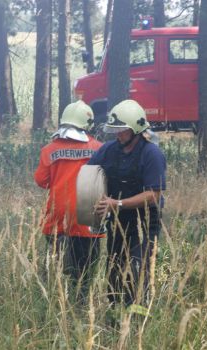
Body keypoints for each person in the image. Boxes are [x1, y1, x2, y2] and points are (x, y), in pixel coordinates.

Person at [88, 99, 166, 307]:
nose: (117, 134)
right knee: (114, 267)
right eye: (115, 130)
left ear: (136, 130)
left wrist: (118, 203)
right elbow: (88, 174)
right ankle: (116, 313)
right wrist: (94, 203)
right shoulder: (108, 150)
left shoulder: (151, 154)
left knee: (138, 269)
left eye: (122, 130)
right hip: (118, 219)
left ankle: (137, 318)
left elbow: (154, 194)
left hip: (145, 220)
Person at [34, 100, 103, 299]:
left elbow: (42, 181)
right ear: (87, 124)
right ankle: (81, 302)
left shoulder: (49, 149)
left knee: (57, 262)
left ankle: (58, 296)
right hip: (88, 215)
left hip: (57, 213)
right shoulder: (99, 148)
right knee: (86, 268)